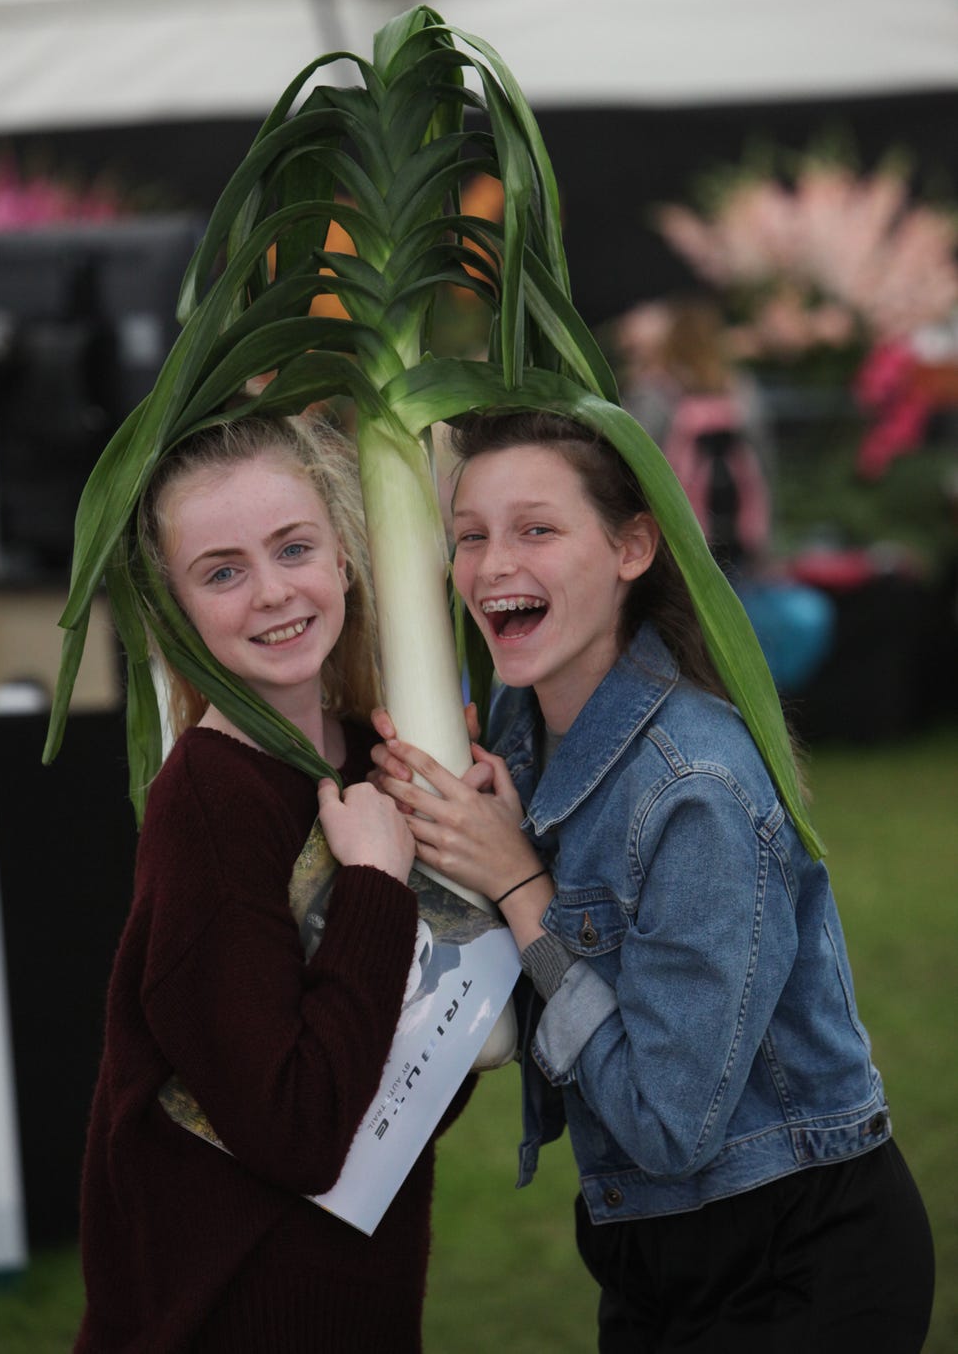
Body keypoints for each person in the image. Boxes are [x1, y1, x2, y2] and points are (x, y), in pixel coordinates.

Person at [371, 409, 935, 1353]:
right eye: (470, 536)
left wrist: (517, 880)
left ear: (633, 546)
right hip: (648, 1254)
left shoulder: (696, 788)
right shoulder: (524, 716)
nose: (492, 564)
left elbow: (668, 1125)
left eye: (536, 529)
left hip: (797, 1260)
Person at [74, 412, 467, 1354]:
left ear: (343, 558)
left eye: (294, 548)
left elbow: (414, 1077)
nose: (272, 593)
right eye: (222, 571)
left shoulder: (373, 759)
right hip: (233, 1307)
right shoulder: (209, 801)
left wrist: (474, 859)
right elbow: (294, 1131)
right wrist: (374, 884)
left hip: (353, 1290)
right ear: (175, 607)